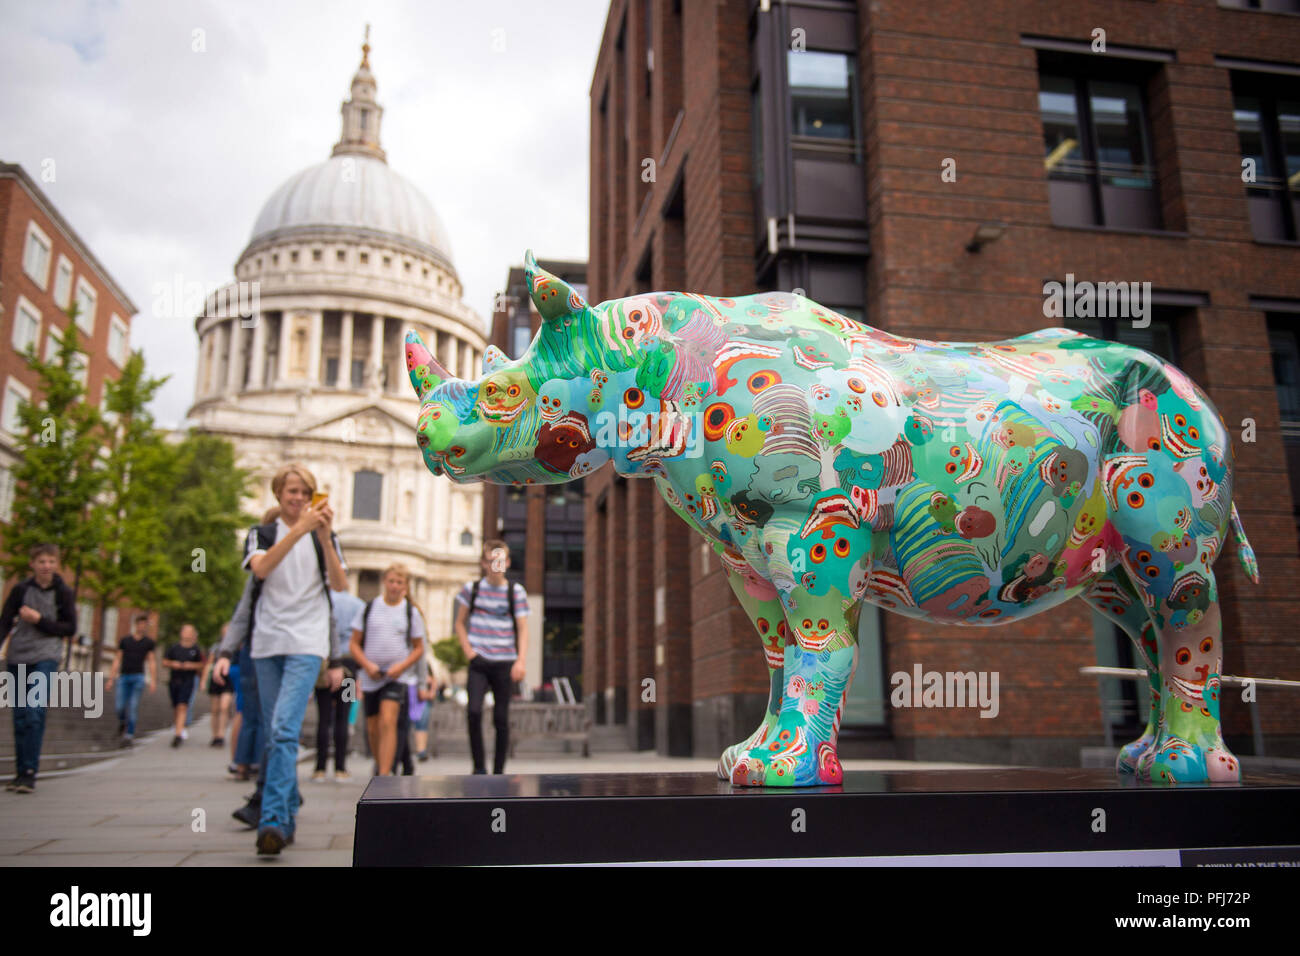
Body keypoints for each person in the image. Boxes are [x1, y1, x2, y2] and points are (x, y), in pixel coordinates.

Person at [215, 464, 346, 856]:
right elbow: (261, 569)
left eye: (306, 493)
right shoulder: (263, 534)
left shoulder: (326, 536)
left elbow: (339, 586)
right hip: (267, 642)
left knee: (285, 729)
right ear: (278, 495)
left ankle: (271, 819)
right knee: (274, 733)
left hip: (307, 642)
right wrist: (300, 530)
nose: (299, 499)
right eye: (292, 492)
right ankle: (287, 811)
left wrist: (322, 537)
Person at [0, 543, 77, 792]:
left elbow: (70, 628)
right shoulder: (20, 590)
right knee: (20, 716)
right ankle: (21, 772)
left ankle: (30, 772)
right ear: (32, 564)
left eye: (51, 562)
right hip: (18, 656)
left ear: (57, 565)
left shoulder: (63, 592)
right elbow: (4, 622)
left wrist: (39, 620)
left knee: (34, 712)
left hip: (46, 656)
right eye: (42, 561)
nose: (47, 566)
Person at [454, 540, 528, 775]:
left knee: (501, 718)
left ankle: (498, 771)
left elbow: (523, 629)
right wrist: (469, 652)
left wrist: (521, 661)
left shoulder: (515, 592)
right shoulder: (471, 589)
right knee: (474, 711)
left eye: (500, 560)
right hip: (479, 662)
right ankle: (478, 767)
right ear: (484, 563)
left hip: (505, 662)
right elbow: (459, 623)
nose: (496, 564)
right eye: (491, 560)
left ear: (506, 562)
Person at [350, 564, 426, 776]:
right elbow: (354, 644)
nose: (395, 586)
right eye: (392, 581)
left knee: (388, 720)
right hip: (370, 674)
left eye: (399, 582)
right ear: (384, 581)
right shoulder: (368, 608)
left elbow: (419, 647)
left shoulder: (411, 613)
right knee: (372, 727)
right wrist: (367, 665)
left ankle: (385, 774)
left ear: (406, 586)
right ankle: (379, 763)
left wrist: (401, 667)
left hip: (396, 676)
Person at [313, 586, 364, 781]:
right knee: (343, 716)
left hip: (324, 663)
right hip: (349, 666)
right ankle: (341, 768)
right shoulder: (357, 605)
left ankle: (319, 769)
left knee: (323, 717)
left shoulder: (321, 600)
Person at [106, 613, 158, 748]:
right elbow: (117, 659)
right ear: (136, 625)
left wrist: (153, 680)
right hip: (124, 676)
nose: (142, 627)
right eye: (140, 624)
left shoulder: (148, 643)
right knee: (120, 706)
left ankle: (129, 735)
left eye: (144, 625)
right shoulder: (125, 641)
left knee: (133, 706)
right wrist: (111, 678)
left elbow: (151, 661)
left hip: (138, 677)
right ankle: (123, 722)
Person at [162, 624, 204, 747]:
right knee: (176, 706)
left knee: (182, 706)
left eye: (189, 631)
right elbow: (164, 662)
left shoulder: (195, 649)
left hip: (188, 680)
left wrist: (191, 665)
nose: (187, 633)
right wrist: (173, 664)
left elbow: (201, 665)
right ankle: (178, 727)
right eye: (185, 631)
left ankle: (178, 734)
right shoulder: (174, 648)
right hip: (174, 680)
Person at [201, 623, 234, 747]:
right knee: (215, 709)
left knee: (224, 707)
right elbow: (209, 664)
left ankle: (221, 735)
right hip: (215, 676)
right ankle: (215, 735)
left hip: (228, 678)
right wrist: (204, 681)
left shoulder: (236, 646)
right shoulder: (216, 647)